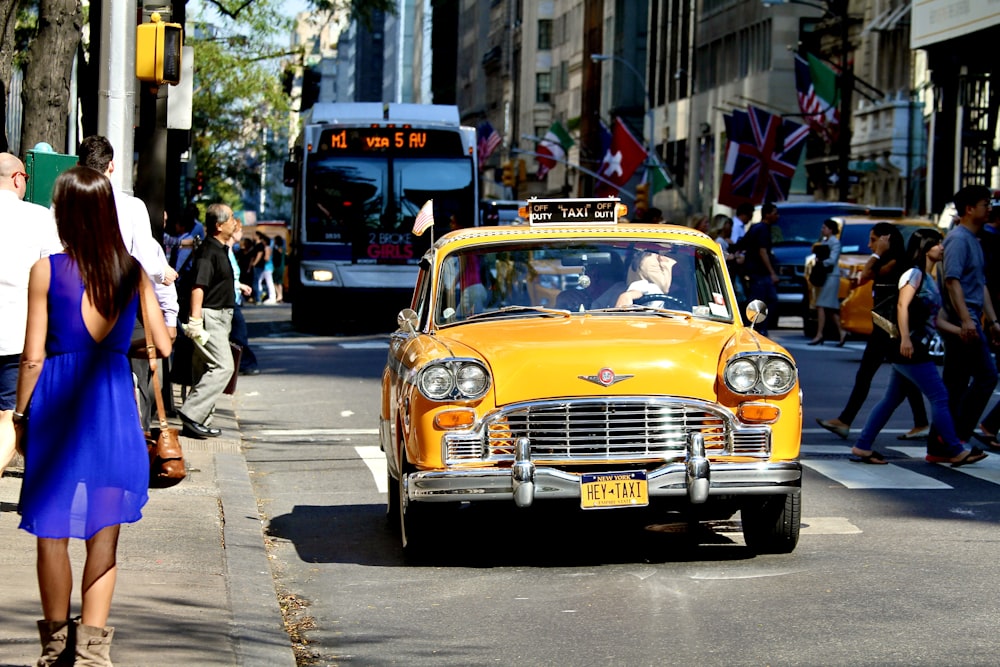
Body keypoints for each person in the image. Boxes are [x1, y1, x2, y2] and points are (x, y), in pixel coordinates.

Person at [14, 167, 172, 665]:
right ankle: (93, 652)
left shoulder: (47, 270)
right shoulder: (132, 271)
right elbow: (163, 344)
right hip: (112, 407)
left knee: (51, 530)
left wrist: (20, 416)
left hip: (57, 406)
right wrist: (118, 343)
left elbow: (32, 356)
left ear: (63, 212)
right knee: (104, 533)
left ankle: (54, 646)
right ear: (107, 211)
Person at [848, 228, 986, 467]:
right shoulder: (913, 273)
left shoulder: (930, 277)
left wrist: (960, 331)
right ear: (925, 248)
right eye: (938, 244)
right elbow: (902, 306)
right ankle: (956, 450)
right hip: (910, 347)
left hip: (912, 345)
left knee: (891, 399)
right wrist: (905, 339)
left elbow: (935, 319)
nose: (942, 248)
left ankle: (862, 446)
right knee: (939, 396)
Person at [817, 222, 930, 441]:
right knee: (901, 376)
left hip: (889, 328)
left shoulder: (896, 262)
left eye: (873, 240)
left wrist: (878, 253)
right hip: (884, 325)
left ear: (886, 238)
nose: (870, 245)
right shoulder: (892, 261)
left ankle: (846, 421)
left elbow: (865, 275)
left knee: (876, 374)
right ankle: (920, 422)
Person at [0, 153, 63, 476]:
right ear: (17, 178)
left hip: (17, 332)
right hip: (16, 332)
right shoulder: (39, 218)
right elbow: (55, 274)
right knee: (10, 414)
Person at [934, 185, 1000, 445]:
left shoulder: (973, 239)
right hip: (962, 319)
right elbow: (953, 281)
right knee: (985, 377)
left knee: (956, 383)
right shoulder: (959, 239)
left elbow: (979, 284)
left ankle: (947, 440)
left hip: (971, 317)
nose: (990, 208)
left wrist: (993, 321)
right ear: (970, 209)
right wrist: (966, 320)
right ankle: (957, 436)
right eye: (986, 203)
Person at [178, 204, 238, 438]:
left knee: (203, 369)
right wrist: (195, 321)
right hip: (209, 317)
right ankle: (192, 413)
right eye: (231, 218)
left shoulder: (220, 248)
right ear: (219, 225)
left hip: (220, 316)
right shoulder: (208, 251)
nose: (235, 221)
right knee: (224, 366)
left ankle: (198, 422)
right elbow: (198, 288)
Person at [741, 201, 780, 335]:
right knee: (763, 302)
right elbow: (762, 251)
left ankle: (757, 327)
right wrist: (772, 272)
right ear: (767, 214)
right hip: (760, 273)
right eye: (775, 213)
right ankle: (756, 328)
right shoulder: (762, 229)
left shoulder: (756, 227)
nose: (777, 216)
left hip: (755, 272)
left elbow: (743, 243)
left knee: (761, 301)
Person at [808, 218, 847, 346]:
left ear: (831, 229)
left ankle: (820, 334)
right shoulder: (825, 241)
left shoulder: (835, 242)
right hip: (826, 276)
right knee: (829, 308)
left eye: (824, 227)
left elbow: (832, 259)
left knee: (821, 305)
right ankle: (842, 332)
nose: (822, 229)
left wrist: (821, 262)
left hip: (831, 276)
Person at [228, 222, 259, 375]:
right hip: (229, 299)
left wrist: (239, 285)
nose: (241, 234)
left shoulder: (231, 251)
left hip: (233, 297)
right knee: (239, 332)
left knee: (237, 333)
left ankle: (242, 363)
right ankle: (246, 363)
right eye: (240, 231)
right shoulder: (226, 251)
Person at [250, 231, 277, 305]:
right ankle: (261, 296)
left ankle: (271, 297)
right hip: (266, 267)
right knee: (260, 281)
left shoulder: (267, 248)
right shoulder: (267, 247)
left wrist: (262, 257)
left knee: (267, 282)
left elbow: (267, 258)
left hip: (267, 267)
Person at [271, 235, 286, 303]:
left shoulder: (277, 248)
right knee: (279, 282)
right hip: (282, 266)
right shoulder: (283, 248)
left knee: (274, 281)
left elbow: (276, 258)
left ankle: (279, 295)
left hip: (277, 266)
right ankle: (280, 295)